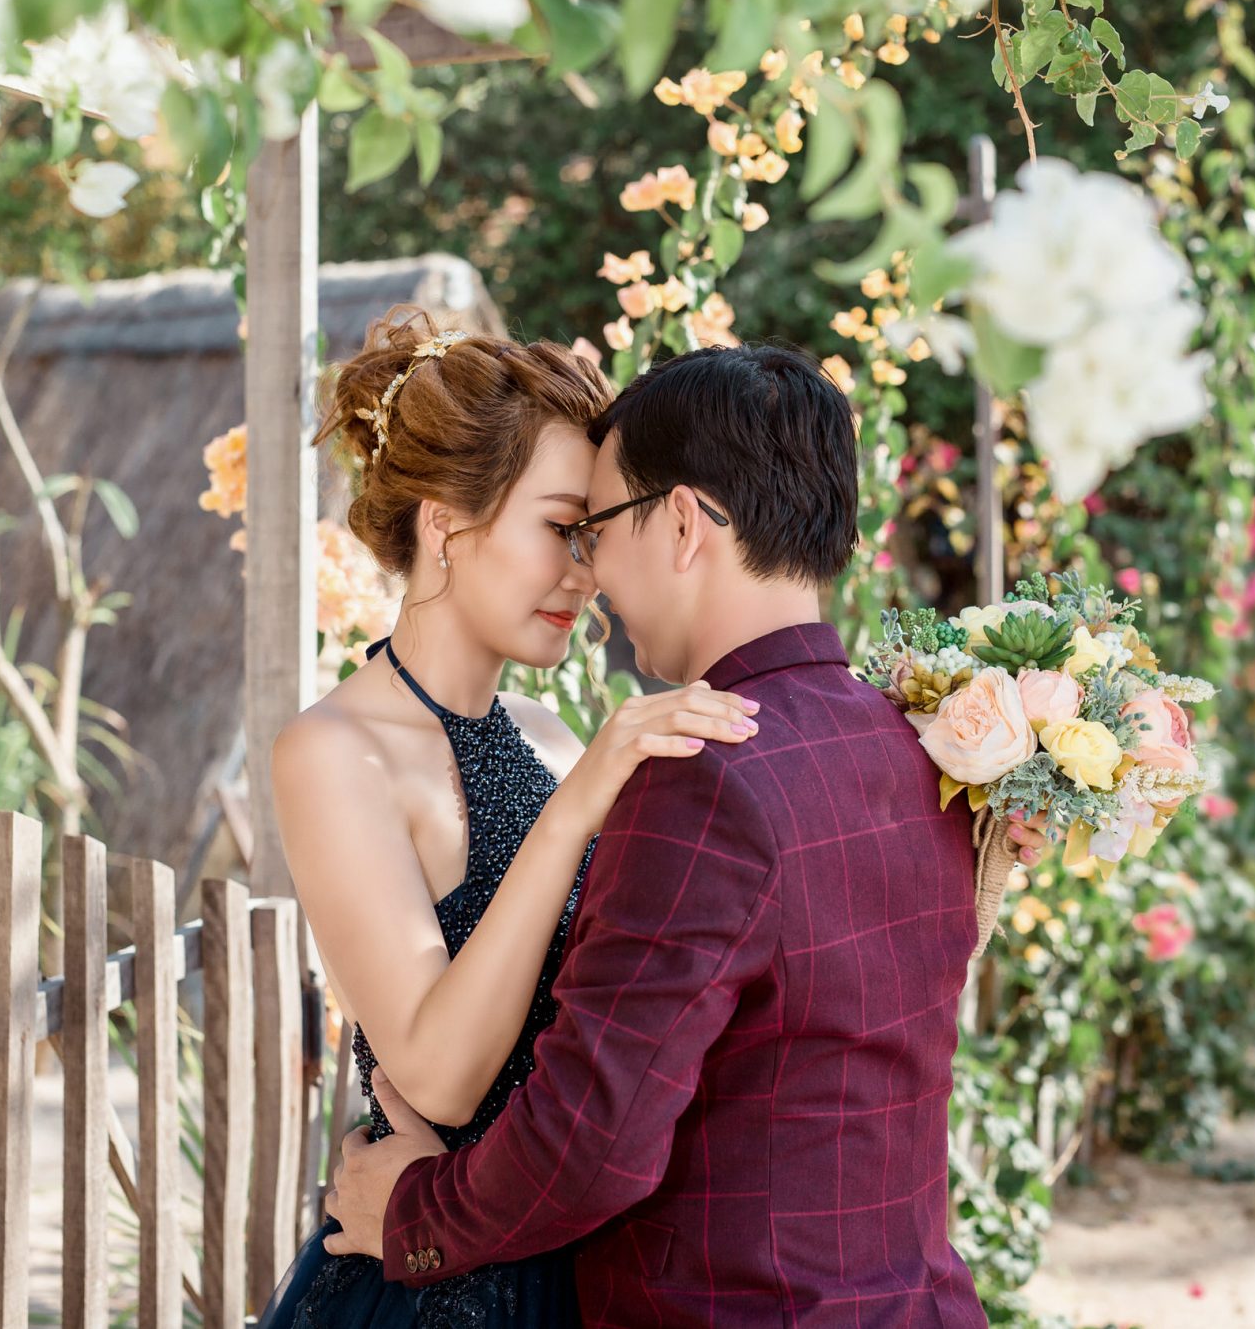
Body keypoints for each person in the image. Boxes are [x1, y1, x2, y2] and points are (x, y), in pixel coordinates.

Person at [321, 343, 989, 1326]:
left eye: (593, 528)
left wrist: (414, 1214)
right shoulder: (919, 746)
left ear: (680, 523)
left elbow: (593, 1139)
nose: (589, 573)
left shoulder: (704, 776)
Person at [259, 308, 762, 1328]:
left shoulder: (554, 735)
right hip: (432, 1281)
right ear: (445, 522)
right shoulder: (332, 752)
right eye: (560, 528)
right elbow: (439, 1077)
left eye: (593, 535)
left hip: (587, 1258)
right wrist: (572, 813)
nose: (587, 572)